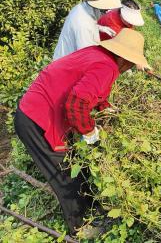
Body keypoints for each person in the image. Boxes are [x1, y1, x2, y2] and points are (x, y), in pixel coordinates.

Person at [14, 28, 151, 238]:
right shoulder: (107, 67)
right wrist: (89, 132)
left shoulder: (98, 54)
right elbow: (76, 102)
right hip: (37, 119)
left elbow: (89, 89)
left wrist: (105, 106)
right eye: (131, 64)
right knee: (65, 175)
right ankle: (79, 228)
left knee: (77, 165)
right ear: (124, 60)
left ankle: (93, 210)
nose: (129, 68)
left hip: (42, 111)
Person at [53, 0, 121, 60]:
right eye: (104, 11)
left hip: (64, 57)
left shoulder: (81, 8)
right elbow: (87, 56)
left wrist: (101, 28)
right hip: (67, 64)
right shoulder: (83, 25)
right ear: (96, 7)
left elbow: (89, 22)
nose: (105, 13)